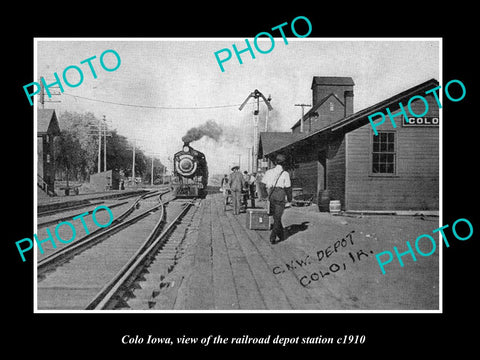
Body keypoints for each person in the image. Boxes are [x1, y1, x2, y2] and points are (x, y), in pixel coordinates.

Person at [261, 154, 292, 244]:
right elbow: (288, 188)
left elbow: (262, 185)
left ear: (275, 163)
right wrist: (290, 199)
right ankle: (273, 236)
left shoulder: (269, 172)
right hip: (280, 195)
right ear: (284, 163)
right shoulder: (285, 174)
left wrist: (265, 195)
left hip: (271, 195)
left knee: (276, 216)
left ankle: (281, 235)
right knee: (277, 218)